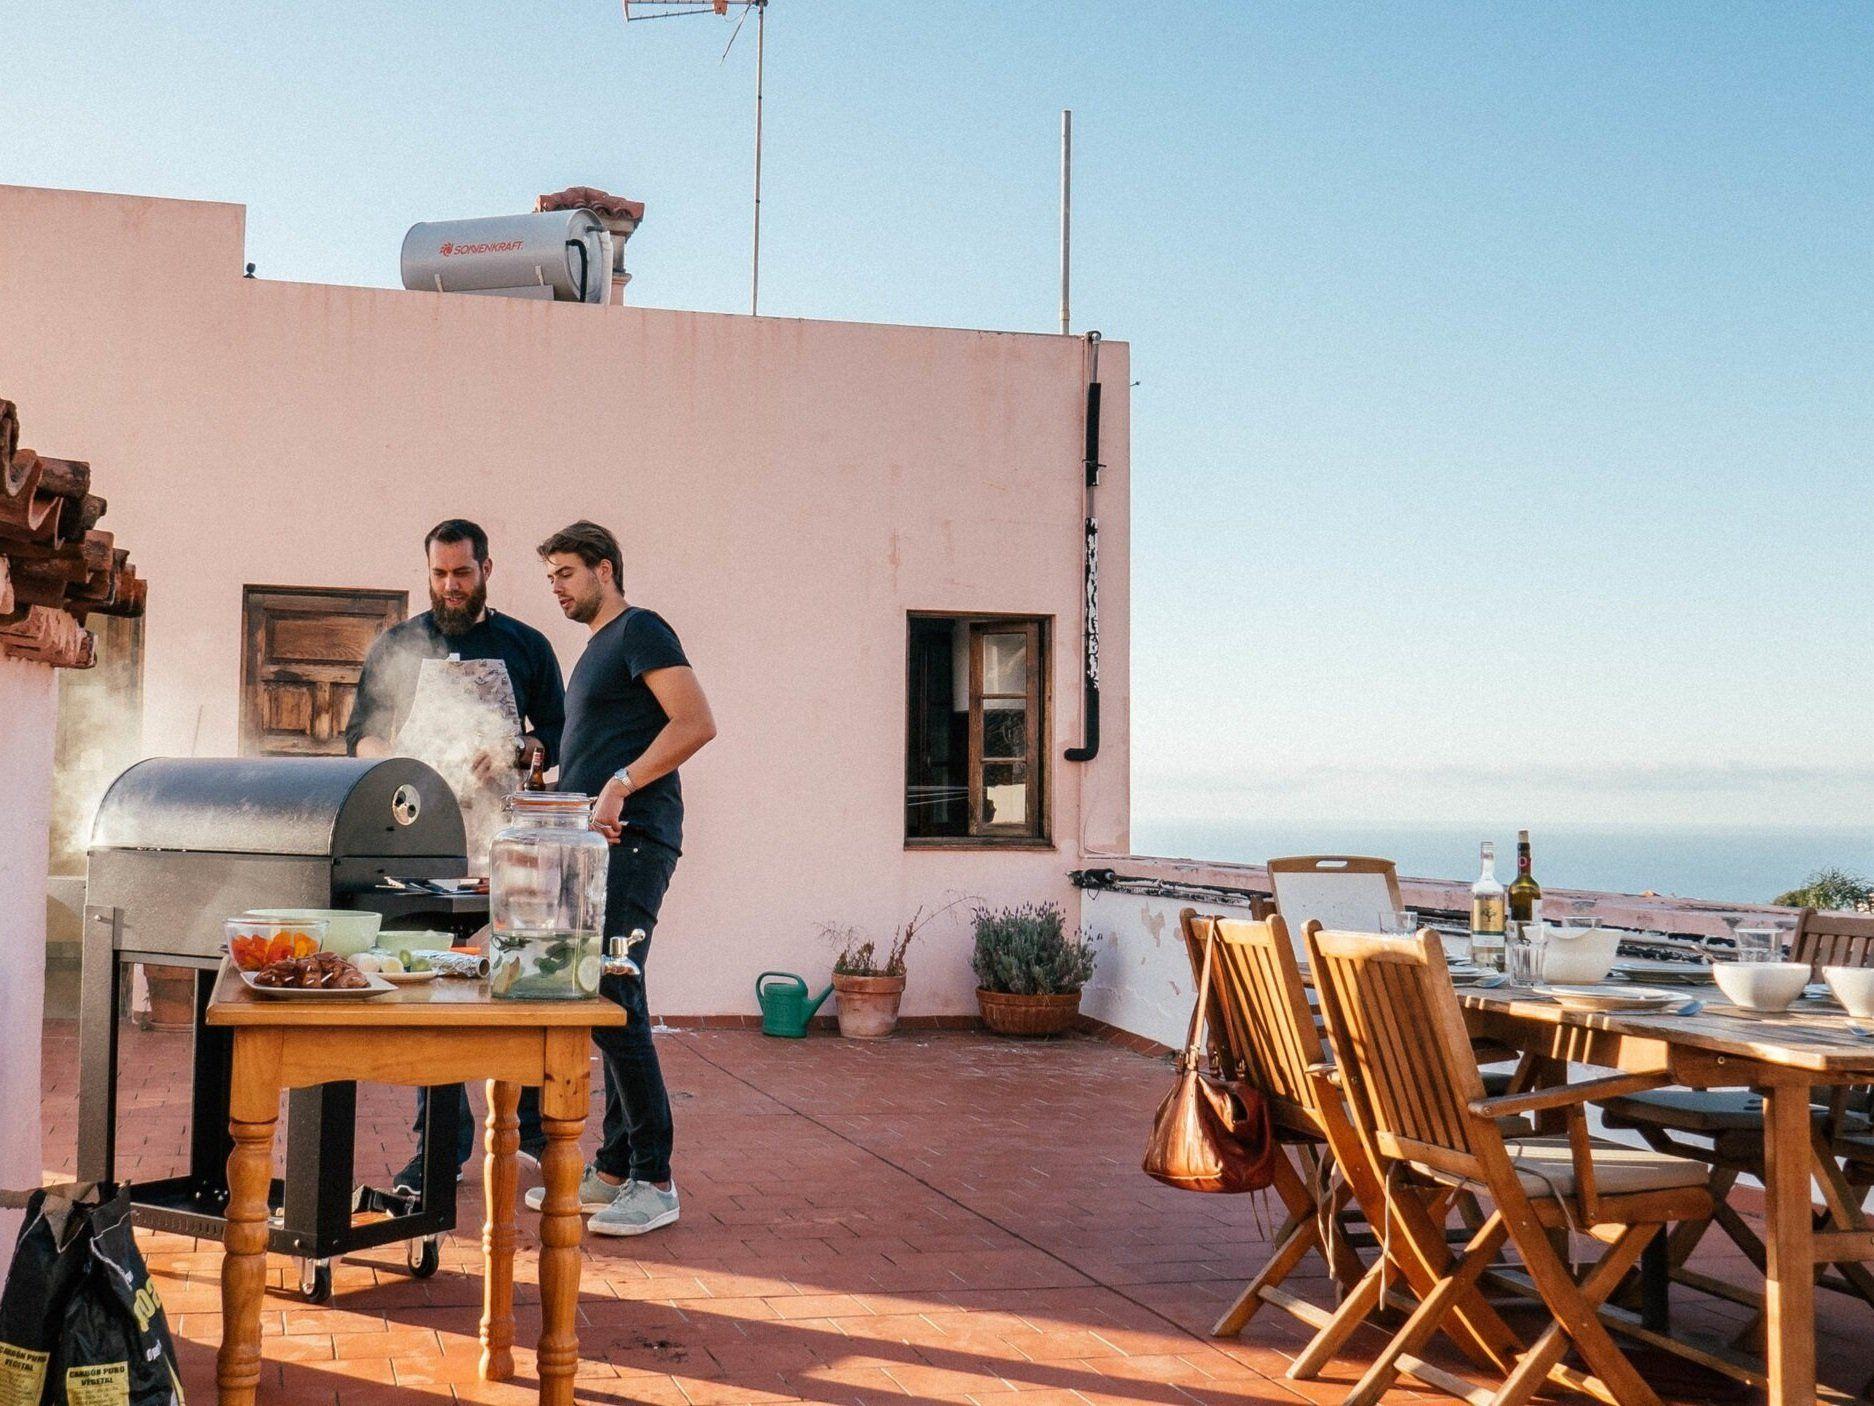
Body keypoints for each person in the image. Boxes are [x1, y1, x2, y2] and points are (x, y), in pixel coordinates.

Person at [346, 518, 566, 1193]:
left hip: (509, 842)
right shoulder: (398, 646)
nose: (449, 586)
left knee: (522, 985)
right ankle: (439, 1149)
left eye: (461, 574)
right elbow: (359, 739)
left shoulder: (527, 647)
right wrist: (403, 762)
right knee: (430, 993)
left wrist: (519, 749)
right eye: (439, 574)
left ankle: (529, 1126)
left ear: (486, 570)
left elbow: (556, 737)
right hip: (426, 848)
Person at [521, 519, 716, 1236]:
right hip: (594, 848)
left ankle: (655, 1179)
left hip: (635, 842)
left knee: (614, 989)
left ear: (603, 568)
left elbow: (695, 723)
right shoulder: (594, 653)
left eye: (565, 574)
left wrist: (621, 783)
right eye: (551, 579)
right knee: (604, 999)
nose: (557, 590)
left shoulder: (642, 630)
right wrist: (556, 773)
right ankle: (610, 1168)